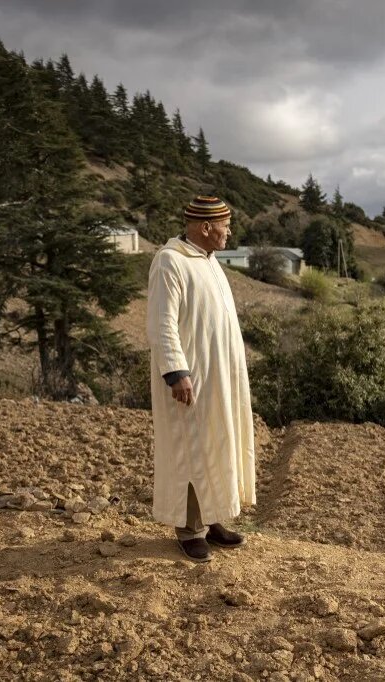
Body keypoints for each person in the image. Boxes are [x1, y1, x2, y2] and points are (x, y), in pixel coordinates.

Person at [146, 195, 255, 562]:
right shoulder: (170, 261)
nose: (229, 232)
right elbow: (161, 323)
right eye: (225, 226)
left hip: (218, 379)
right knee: (191, 448)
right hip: (190, 380)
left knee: (217, 443)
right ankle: (190, 529)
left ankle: (212, 519)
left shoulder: (208, 261)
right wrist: (177, 373)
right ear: (206, 228)